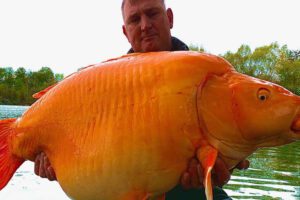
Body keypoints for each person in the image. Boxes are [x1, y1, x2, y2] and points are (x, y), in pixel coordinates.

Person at [34, 0, 250, 199]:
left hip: (190, 193)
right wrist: (57, 164)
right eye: (135, 19)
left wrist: (226, 166)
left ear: (170, 18)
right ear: (125, 32)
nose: (145, 25)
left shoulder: (206, 77)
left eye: (152, 13)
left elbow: (232, 154)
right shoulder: (103, 84)